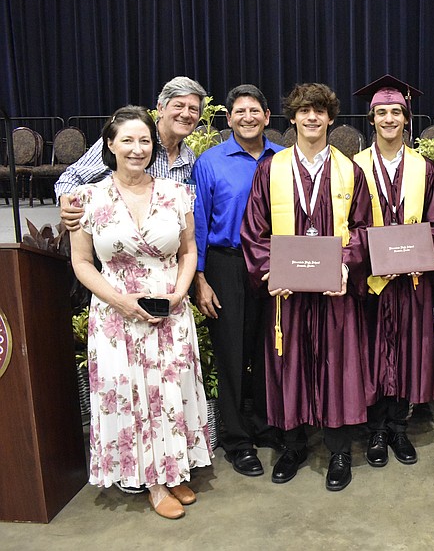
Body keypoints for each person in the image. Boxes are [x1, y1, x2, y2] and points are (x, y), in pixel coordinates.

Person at [69, 106, 211, 519]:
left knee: (171, 391)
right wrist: (120, 300)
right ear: (109, 145)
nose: (136, 148)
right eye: (127, 140)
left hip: (170, 311)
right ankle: (153, 481)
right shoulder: (87, 199)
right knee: (132, 394)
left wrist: (179, 295)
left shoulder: (175, 192)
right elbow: (81, 263)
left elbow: (188, 250)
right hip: (117, 317)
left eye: (144, 140)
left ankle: (174, 467)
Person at [240, 83, 372, 491]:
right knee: (290, 364)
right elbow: (254, 229)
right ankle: (293, 446)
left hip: (335, 293)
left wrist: (347, 267)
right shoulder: (271, 169)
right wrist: (271, 271)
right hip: (290, 295)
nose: (312, 117)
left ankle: (338, 450)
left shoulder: (350, 170)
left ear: (331, 119)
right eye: (304, 111)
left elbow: (363, 228)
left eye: (320, 111)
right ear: (292, 118)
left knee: (337, 365)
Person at [191, 85, 284, 478]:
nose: (247, 116)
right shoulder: (210, 162)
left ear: (266, 116)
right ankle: (236, 439)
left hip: (274, 263)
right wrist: (199, 277)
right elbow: (196, 222)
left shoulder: (281, 159)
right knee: (231, 353)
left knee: (269, 349)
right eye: (239, 111)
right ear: (228, 119)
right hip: (225, 264)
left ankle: (263, 425)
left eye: (255, 110)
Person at [352, 76, 434, 468]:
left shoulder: (426, 168)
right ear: (372, 119)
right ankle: (375, 430)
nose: (389, 119)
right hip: (370, 280)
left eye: (396, 112)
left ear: (407, 119)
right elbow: (346, 224)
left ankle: (399, 427)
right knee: (371, 351)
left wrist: (415, 256)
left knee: (405, 349)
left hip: (410, 279)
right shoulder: (353, 167)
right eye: (382, 112)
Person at [56, 76, 207, 231]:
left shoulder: (190, 159)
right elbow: (72, 176)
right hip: (114, 245)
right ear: (161, 108)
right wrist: (66, 201)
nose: (186, 114)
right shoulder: (124, 141)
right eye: (179, 106)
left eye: (193, 109)